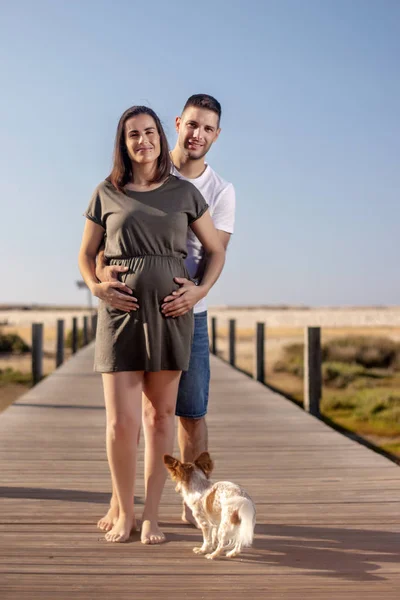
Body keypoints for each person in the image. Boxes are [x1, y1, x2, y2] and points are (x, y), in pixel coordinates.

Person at [78, 104, 225, 544]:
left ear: (162, 137)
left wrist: (198, 292)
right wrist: (96, 287)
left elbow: (216, 250)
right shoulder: (106, 191)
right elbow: (86, 256)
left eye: (149, 133)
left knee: (160, 418)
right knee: (121, 424)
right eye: (132, 135)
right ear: (123, 144)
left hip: (170, 315)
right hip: (120, 315)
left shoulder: (184, 193)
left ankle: (152, 516)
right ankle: (123, 511)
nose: (143, 141)